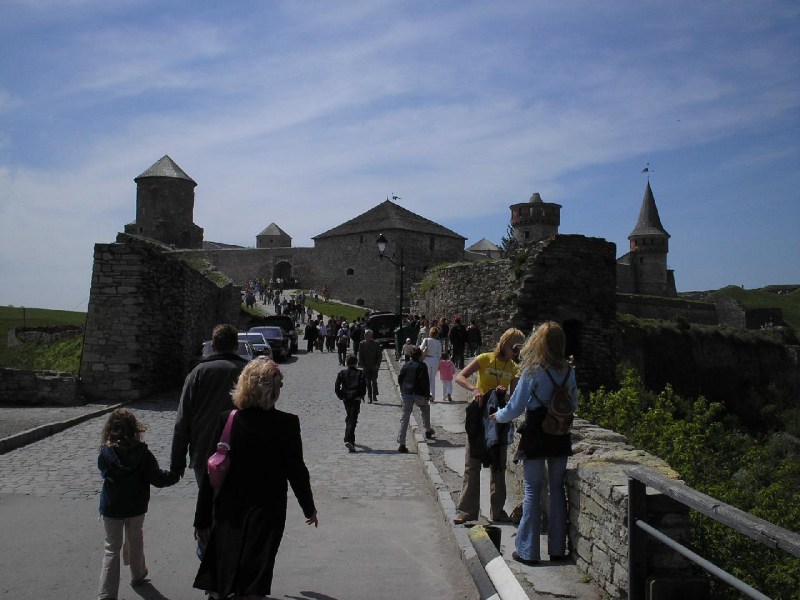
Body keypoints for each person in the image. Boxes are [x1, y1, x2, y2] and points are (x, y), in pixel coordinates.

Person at [193, 358, 318, 599]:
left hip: (229, 509)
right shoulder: (287, 424)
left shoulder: (227, 420)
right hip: (267, 510)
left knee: (225, 572)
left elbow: (211, 472)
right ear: (271, 389)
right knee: (255, 576)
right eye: (279, 384)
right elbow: (297, 471)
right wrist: (308, 507)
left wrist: (201, 520)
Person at [491, 322, 578, 565]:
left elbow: (516, 407)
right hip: (559, 431)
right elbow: (574, 404)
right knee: (557, 488)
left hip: (537, 432)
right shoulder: (569, 371)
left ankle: (528, 551)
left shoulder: (533, 371)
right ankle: (557, 548)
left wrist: (498, 416)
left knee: (532, 489)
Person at [97, 409, 180, 600]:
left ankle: (107, 593)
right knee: (136, 540)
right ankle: (138, 574)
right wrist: (175, 475)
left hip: (112, 506)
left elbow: (103, 470)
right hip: (136, 506)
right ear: (135, 429)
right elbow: (157, 478)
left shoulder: (106, 453)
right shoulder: (142, 453)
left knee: (111, 548)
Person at [453, 327, 525, 524]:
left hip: (499, 419)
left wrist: (504, 394)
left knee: (498, 466)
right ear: (505, 344)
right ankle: (466, 512)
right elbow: (460, 377)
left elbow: (514, 398)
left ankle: (498, 511)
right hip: (479, 417)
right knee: (472, 464)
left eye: (518, 350)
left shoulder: (513, 368)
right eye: (514, 349)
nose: (516, 353)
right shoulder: (485, 358)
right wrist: (474, 389)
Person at [170, 324, 248, 486]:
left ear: (213, 347)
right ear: (236, 346)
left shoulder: (198, 372)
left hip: (204, 450)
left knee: (208, 499)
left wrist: (177, 462)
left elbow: (183, 418)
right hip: (242, 449)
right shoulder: (248, 372)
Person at [396, 346, 435, 453]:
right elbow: (425, 382)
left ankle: (402, 443)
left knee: (405, 418)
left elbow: (400, 379)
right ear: (419, 355)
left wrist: (403, 390)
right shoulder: (422, 365)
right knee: (425, 408)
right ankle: (427, 430)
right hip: (418, 394)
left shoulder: (405, 365)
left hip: (407, 394)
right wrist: (427, 395)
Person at [335, 354, 367, 452]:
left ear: (347, 363)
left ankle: (348, 438)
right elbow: (363, 385)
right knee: (352, 419)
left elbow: (337, 386)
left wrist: (341, 395)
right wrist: (360, 395)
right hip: (355, 398)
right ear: (356, 363)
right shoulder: (360, 373)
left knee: (350, 416)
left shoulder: (342, 373)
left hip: (346, 398)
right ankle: (349, 440)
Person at [358, 329, 383, 403]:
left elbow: (379, 355)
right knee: (368, 382)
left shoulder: (376, 343)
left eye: (369, 335)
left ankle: (374, 395)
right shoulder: (362, 344)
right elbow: (360, 356)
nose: (367, 337)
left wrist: (377, 365)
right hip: (366, 367)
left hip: (374, 366)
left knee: (374, 381)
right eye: (366, 335)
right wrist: (362, 365)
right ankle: (369, 397)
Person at [419, 326, 443, 401]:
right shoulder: (438, 342)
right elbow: (440, 354)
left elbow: (420, 349)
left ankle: (427, 394)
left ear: (430, 333)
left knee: (427, 378)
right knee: (433, 379)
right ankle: (432, 395)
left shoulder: (426, 340)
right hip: (435, 360)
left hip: (427, 359)